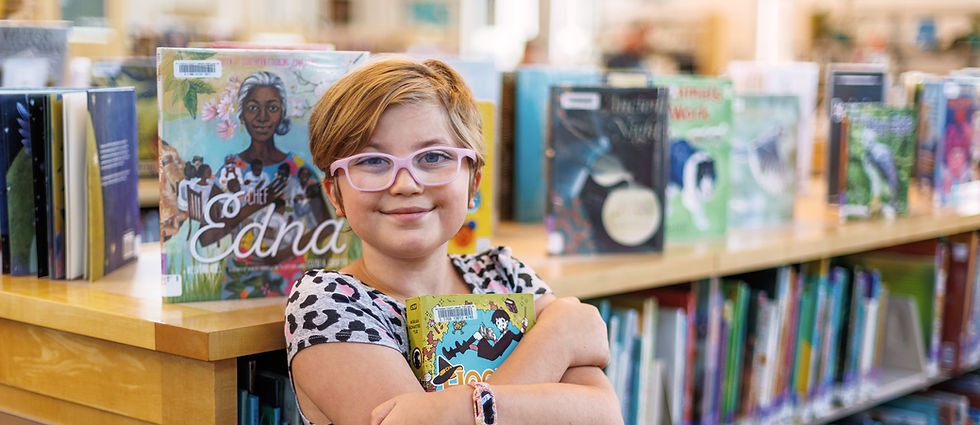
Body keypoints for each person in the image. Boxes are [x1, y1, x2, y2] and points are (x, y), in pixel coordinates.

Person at [285, 56, 621, 425]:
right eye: (373, 161)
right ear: (334, 193)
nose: (406, 184)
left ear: (474, 183)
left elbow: (603, 415)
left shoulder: (504, 274)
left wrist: (448, 413)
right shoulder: (328, 302)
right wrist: (557, 339)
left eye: (433, 157)